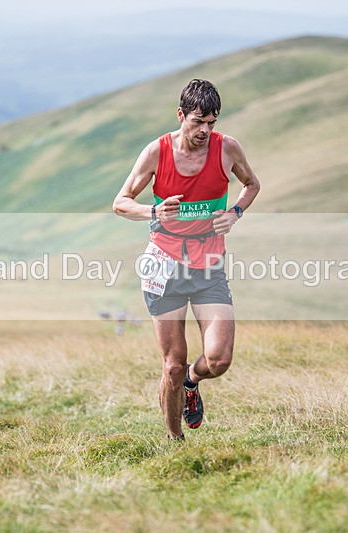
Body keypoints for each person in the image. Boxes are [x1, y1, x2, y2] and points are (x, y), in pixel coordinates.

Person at [113, 79, 261, 440]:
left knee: (219, 359)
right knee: (173, 364)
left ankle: (195, 382)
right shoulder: (156, 153)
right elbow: (121, 202)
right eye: (198, 122)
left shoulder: (227, 149)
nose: (205, 131)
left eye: (212, 122)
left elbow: (252, 184)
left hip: (208, 265)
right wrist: (153, 210)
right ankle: (175, 440)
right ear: (181, 115)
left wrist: (237, 212)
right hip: (164, 266)